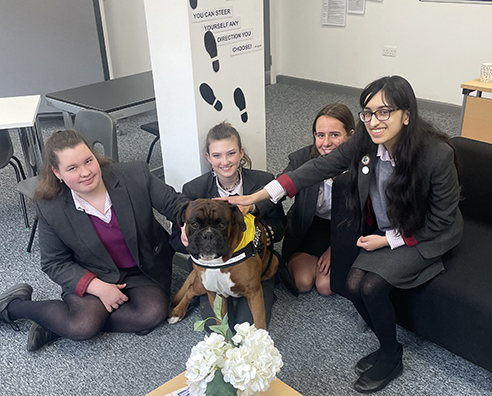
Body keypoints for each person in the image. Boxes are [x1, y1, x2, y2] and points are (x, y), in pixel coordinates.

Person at [219, 76, 463, 393]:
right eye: (368, 112)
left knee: (371, 286)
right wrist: (256, 197)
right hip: (385, 228)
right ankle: (388, 345)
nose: (374, 121)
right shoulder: (365, 141)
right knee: (350, 282)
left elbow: (442, 219)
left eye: (384, 112)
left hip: (424, 233)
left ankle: (391, 354)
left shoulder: (436, 155)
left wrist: (388, 241)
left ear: (406, 114)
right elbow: (316, 168)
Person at [0, 129, 187, 351]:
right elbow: (54, 263)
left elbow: (176, 204)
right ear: (57, 172)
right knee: (82, 326)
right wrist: (97, 287)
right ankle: (14, 307)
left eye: (88, 161)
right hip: (93, 272)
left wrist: (187, 221)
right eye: (72, 168)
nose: (86, 172)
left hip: (143, 268)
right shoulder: (51, 206)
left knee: (153, 313)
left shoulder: (134, 174)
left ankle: (56, 323)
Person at [171, 121, 287, 330]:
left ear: (241, 153)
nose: (224, 161)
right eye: (216, 155)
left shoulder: (264, 181)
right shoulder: (193, 189)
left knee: (248, 328)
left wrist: (268, 233)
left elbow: (281, 224)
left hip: (250, 262)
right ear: (208, 157)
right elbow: (176, 240)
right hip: (209, 267)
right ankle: (188, 296)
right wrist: (184, 234)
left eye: (231, 153)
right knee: (216, 330)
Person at [282, 103, 354, 296]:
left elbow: (363, 217)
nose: (326, 142)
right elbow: (278, 189)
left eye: (335, 135)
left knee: (326, 287)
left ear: (351, 135)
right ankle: (310, 257)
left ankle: (327, 256)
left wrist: (335, 248)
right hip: (310, 226)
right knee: (302, 282)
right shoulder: (302, 159)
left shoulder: (363, 166)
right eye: (320, 135)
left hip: (345, 230)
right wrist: (251, 205)